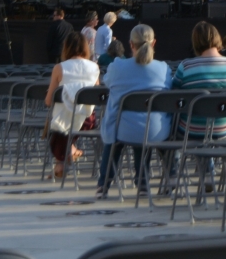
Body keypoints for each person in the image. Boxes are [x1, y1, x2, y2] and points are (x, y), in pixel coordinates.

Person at [96, 23, 173, 197]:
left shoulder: (117, 66)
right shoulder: (163, 68)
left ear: (131, 44)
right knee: (145, 122)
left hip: (122, 131)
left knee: (119, 127)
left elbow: (106, 81)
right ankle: (159, 179)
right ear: (153, 43)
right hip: (157, 131)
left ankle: (103, 184)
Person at [171, 20, 226, 141]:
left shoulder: (185, 66)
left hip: (189, 131)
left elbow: (173, 95)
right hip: (223, 131)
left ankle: (175, 158)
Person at [45, 29, 100, 180]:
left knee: (61, 122)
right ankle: (71, 150)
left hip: (63, 121)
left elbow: (48, 101)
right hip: (88, 121)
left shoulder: (60, 68)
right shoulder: (94, 68)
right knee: (71, 120)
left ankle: (62, 162)